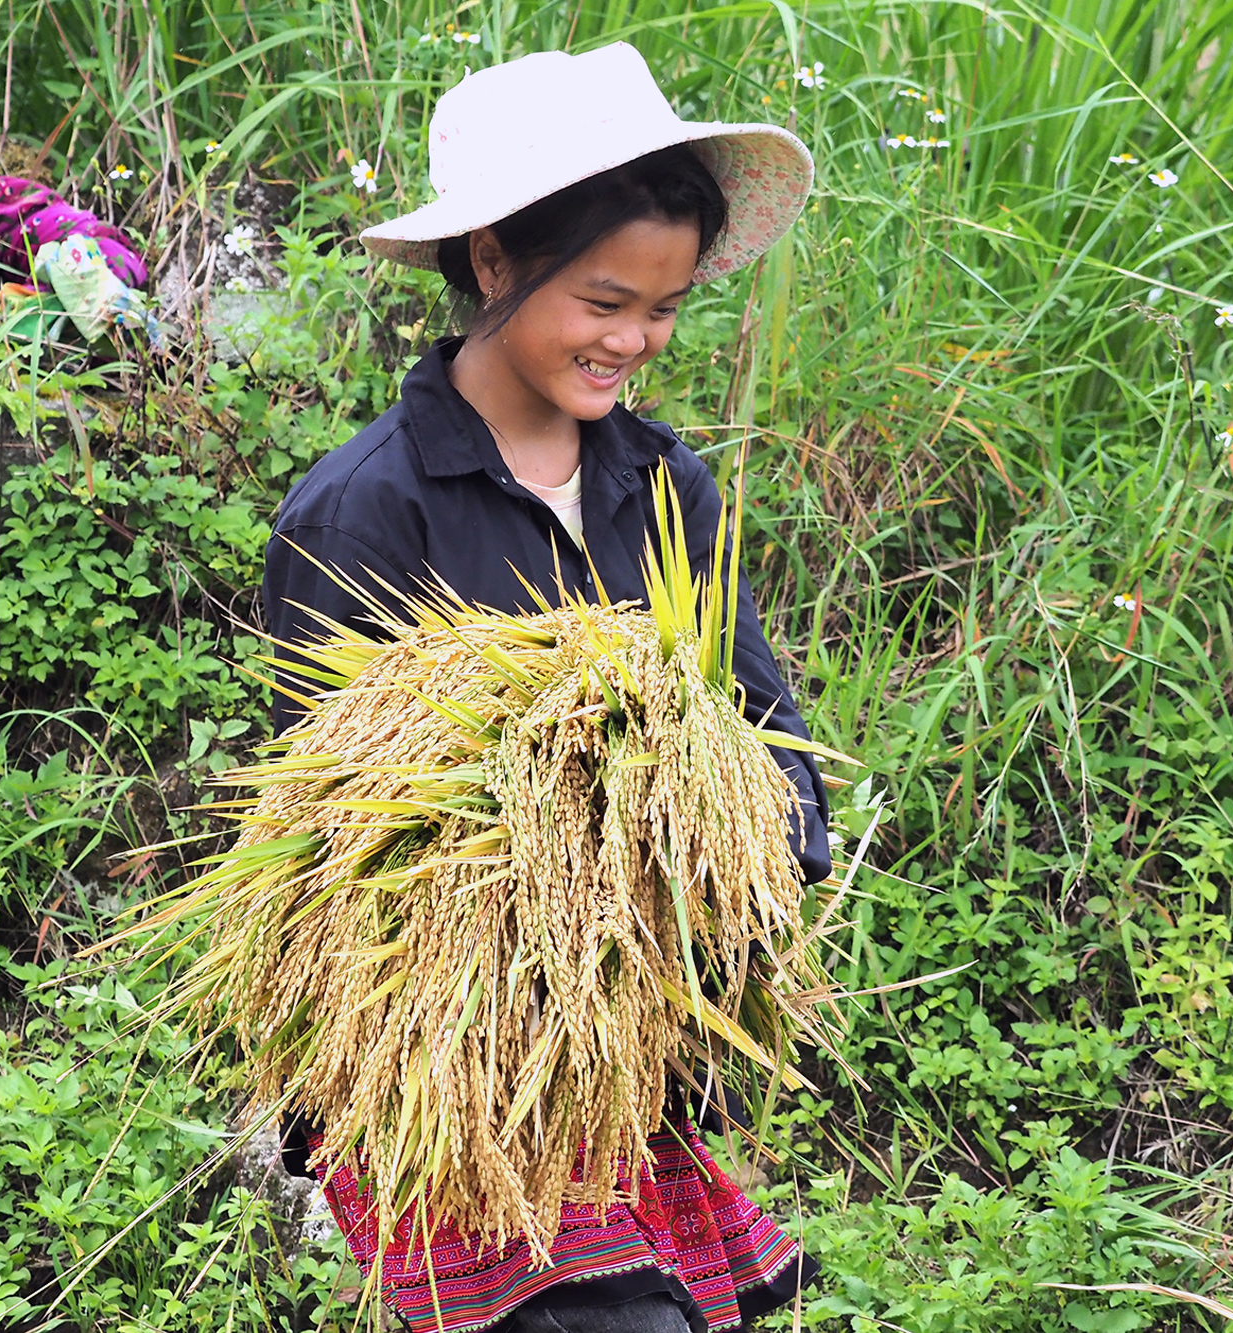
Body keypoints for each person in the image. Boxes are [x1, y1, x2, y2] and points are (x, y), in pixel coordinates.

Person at [261, 42, 829, 1333]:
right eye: (606, 299)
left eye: (667, 308)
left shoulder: (665, 488)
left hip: (631, 1055)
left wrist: (755, 833)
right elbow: (328, 865)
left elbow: (765, 726)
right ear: (497, 262)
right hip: (443, 1072)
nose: (635, 341)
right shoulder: (362, 515)